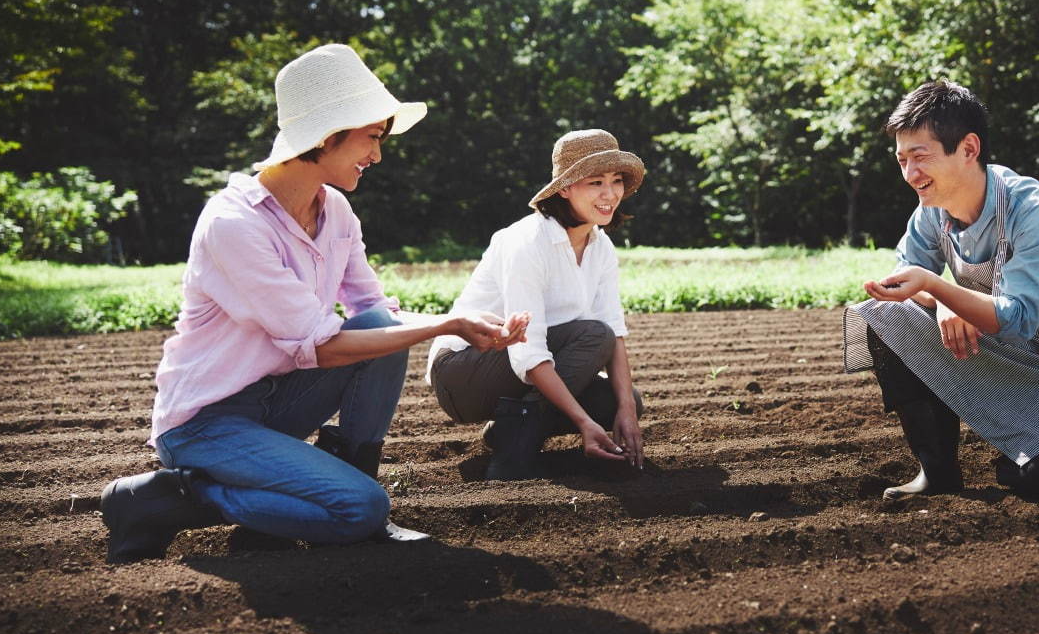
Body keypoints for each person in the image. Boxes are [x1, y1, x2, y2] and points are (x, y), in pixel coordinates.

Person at [100, 43, 529, 564]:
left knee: (379, 330)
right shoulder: (233, 224)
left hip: (276, 401)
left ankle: (341, 479)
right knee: (358, 510)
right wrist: (444, 324)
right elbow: (320, 346)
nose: (377, 155)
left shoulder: (337, 211)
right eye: (372, 138)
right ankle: (168, 496)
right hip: (206, 423)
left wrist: (456, 325)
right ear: (327, 137)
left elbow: (375, 313)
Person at [844, 80, 1039, 501]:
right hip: (987, 348)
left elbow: (1017, 319)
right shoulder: (930, 210)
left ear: (969, 149)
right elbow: (905, 276)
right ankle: (936, 471)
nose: (910, 174)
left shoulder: (1032, 209)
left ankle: (1035, 439)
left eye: (920, 157)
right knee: (885, 318)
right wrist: (940, 300)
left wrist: (938, 287)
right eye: (902, 160)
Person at [428, 129, 647, 480]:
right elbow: (527, 352)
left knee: (626, 400)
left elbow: (616, 333)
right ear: (565, 187)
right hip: (464, 373)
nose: (610, 194)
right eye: (596, 183)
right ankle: (516, 445)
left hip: (519, 369)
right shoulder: (526, 243)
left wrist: (626, 412)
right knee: (594, 335)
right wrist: (583, 423)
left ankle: (510, 429)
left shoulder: (600, 247)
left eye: (616, 180)